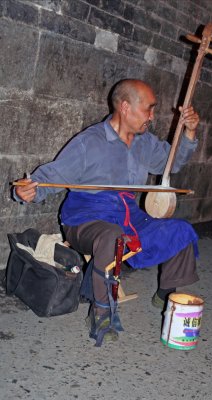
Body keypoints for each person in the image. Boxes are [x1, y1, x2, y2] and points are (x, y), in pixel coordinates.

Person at [13, 79, 200, 345]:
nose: (152, 115)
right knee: (112, 236)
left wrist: (190, 133)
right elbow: (52, 175)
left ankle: (166, 293)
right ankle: (101, 312)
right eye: (149, 108)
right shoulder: (90, 142)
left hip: (127, 214)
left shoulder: (144, 143)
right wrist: (28, 190)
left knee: (180, 230)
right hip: (85, 216)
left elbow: (173, 162)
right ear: (125, 107)